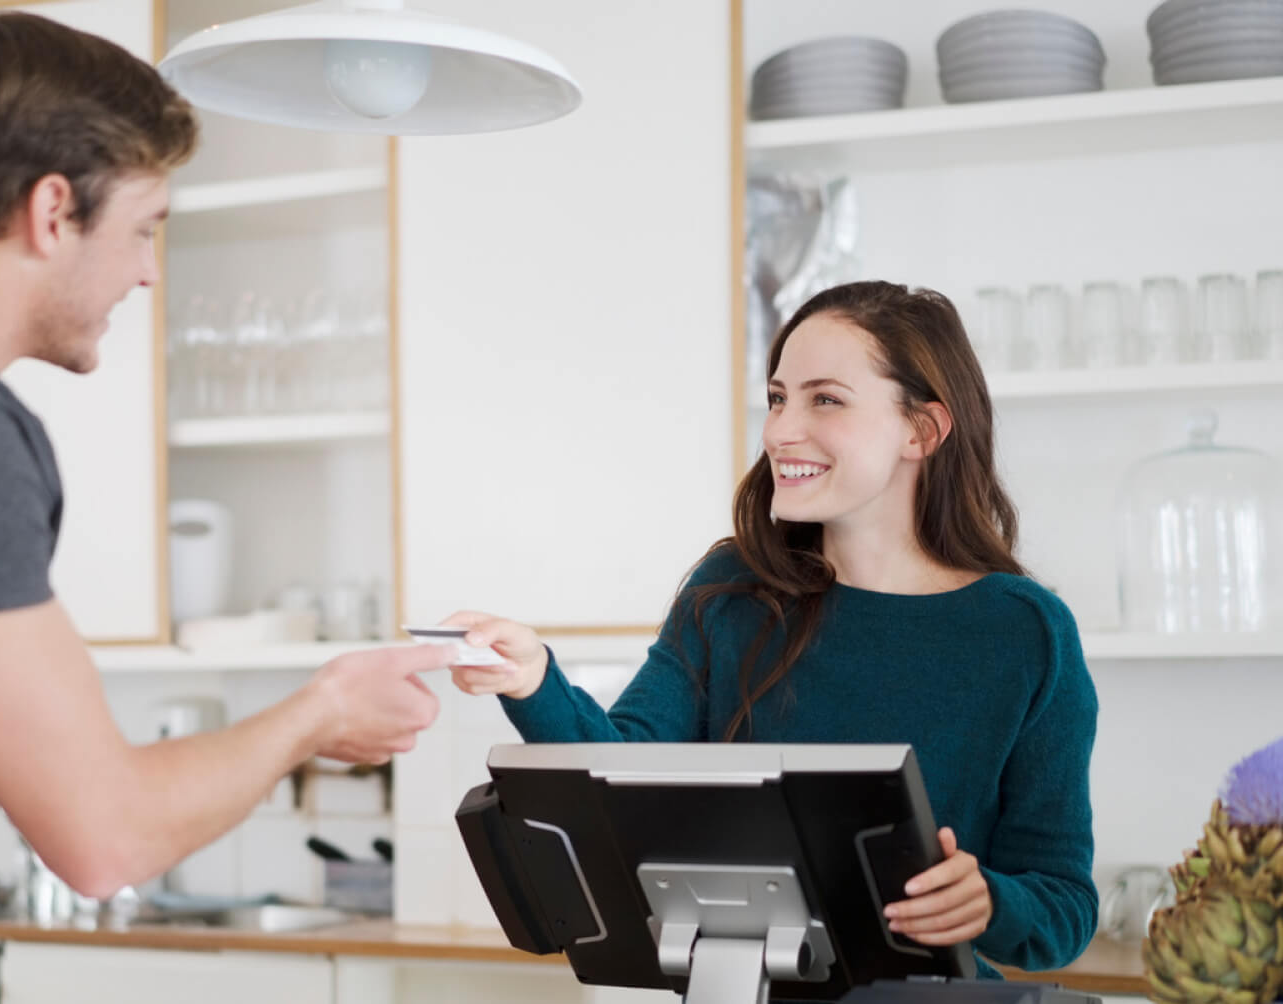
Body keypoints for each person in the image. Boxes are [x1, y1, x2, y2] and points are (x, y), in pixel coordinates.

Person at [0, 12, 453, 1003]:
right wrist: (323, 710)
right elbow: (104, 836)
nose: (146, 270)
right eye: (143, 228)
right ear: (52, 211)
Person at [446, 280, 1099, 978]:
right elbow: (622, 768)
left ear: (922, 430)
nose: (782, 430)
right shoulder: (732, 591)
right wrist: (533, 682)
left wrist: (989, 902)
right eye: (779, 397)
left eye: (825, 399)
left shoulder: (1025, 633)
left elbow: (1063, 907)